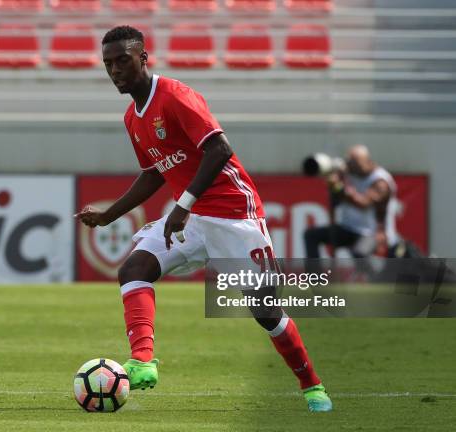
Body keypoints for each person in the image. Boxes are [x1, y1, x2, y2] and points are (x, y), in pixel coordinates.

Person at [75, 26, 332, 412]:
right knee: (134, 268)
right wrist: (110, 215)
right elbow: (154, 172)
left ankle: (312, 386)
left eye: (123, 60)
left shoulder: (176, 96)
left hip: (233, 214)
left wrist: (182, 206)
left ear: (143, 58)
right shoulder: (133, 118)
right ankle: (143, 362)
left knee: (265, 310)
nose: (115, 70)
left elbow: (219, 150)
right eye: (108, 63)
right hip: (191, 217)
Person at [304, 144, 398, 259]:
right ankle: (316, 276)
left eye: (355, 162)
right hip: (348, 228)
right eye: (350, 161)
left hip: (372, 232)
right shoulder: (350, 172)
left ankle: (376, 275)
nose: (351, 165)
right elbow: (336, 189)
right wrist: (333, 179)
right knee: (311, 235)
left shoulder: (380, 181)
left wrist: (341, 188)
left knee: (359, 253)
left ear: (366, 161)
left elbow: (363, 203)